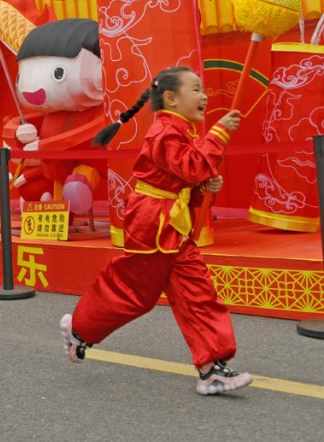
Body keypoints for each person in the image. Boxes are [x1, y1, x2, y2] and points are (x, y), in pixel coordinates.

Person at [61, 66, 252, 396]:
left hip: (172, 222)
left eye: (202, 89)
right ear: (171, 98)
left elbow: (188, 175)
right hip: (152, 221)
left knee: (197, 292)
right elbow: (190, 166)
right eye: (196, 89)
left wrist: (205, 183)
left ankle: (212, 369)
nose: (204, 95)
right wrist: (218, 134)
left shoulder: (182, 130)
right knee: (135, 294)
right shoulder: (164, 131)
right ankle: (78, 329)